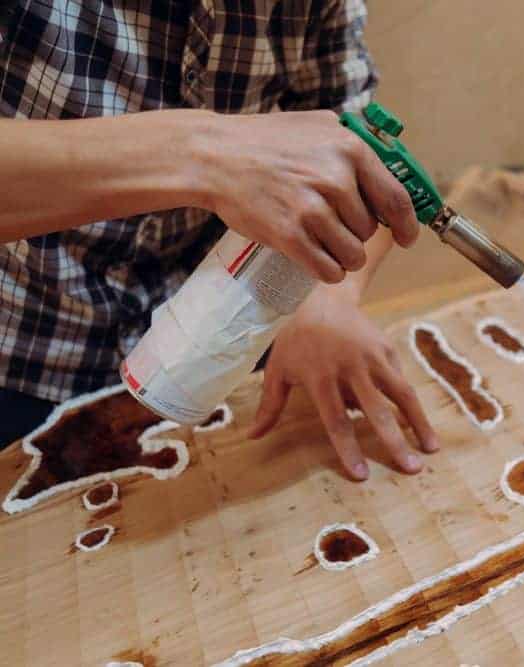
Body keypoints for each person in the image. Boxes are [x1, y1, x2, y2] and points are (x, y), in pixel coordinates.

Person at [0, 1, 439, 480]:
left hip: (210, 352)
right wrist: (201, 154)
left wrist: (328, 299)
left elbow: (357, 160)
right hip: (22, 356)